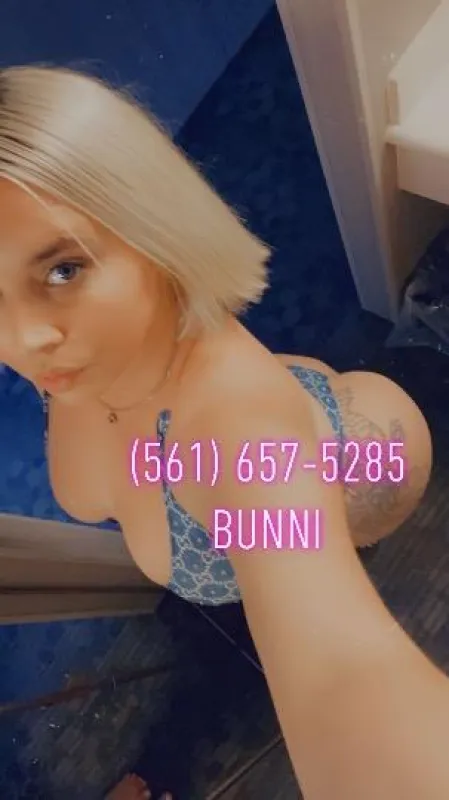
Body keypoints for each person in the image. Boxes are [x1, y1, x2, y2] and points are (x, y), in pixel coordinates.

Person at [0, 65, 435, 799]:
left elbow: (345, 676)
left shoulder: (238, 438)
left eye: (64, 269)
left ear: (154, 228)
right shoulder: (75, 357)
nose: (22, 339)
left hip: (370, 457)